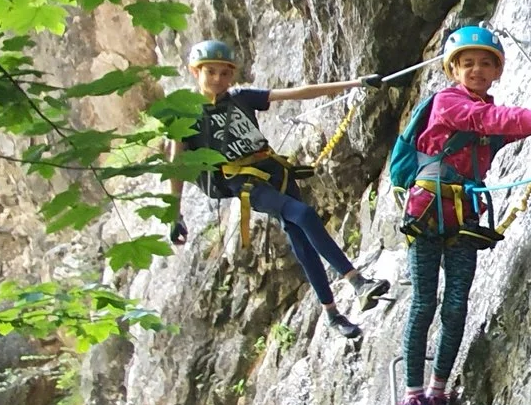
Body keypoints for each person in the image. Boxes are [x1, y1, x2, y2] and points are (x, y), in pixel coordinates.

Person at [397, 26, 531, 405]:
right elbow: (487, 119)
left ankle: (437, 392)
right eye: (468, 63)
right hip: (427, 213)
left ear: (497, 70)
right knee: (425, 305)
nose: (476, 70)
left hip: (463, 219)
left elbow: (499, 129)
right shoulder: (448, 102)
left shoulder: (480, 113)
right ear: (454, 70)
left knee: (456, 306)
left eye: (485, 63)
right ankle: (412, 396)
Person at [166, 39, 390, 339]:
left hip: (274, 171)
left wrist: (355, 84)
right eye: (211, 72)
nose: (218, 79)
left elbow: (299, 93)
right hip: (244, 183)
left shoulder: (240, 97)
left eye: (224, 72)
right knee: (305, 214)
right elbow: (176, 162)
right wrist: (175, 213)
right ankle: (357, 281)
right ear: (196, 73)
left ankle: (333, 314)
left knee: (299, 235)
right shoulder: (184, 115)